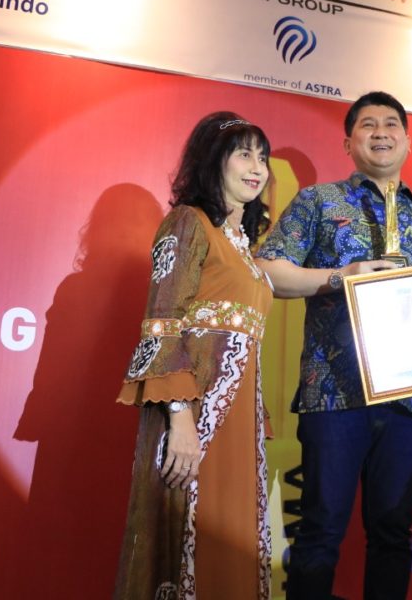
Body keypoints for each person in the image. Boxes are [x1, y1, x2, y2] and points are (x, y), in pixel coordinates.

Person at [257, 91, 412, 600]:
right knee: (320, 530)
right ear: (347, 142)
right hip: (333, 394)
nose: (380, 132)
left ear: (408, 141)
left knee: (393, 535)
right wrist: (340, 276)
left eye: (391, 124)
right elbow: (267, 271)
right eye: (367, 124)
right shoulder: (317, 203)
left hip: (410, 402)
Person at [114, 112, 274, 600]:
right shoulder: (187, 222)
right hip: (195, 414)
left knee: (232, 539)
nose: (257, 167)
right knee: (188, 537)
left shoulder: (243, 246)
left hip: (238, 418)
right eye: (243, 154)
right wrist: (180, 418)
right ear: (213, 160)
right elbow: (163, 321)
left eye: (263, 157)